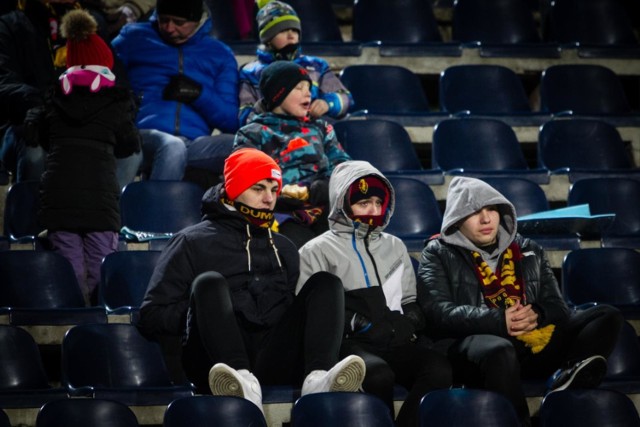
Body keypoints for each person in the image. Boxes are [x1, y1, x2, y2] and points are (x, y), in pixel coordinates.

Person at [138, 147, 366, 413]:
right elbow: (150, 316)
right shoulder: (191, 241)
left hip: (273, 356)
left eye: (273, 189)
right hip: (215, 362)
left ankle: (317, 379)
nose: (269, 198)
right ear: (234, 190)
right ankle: (240, 380)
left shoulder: (284, 246)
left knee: (326, 282)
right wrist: (200, 312)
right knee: (209, 284)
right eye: (258, 189)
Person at [417, 176, 624, 426]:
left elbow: (557, 307)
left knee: (605, 315)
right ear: (457, 219)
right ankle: (521, 421)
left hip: (529, 342)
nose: (486, 219)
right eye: (475, 213)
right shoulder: (437, 252)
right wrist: (499, 320)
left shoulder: (529, 249)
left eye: (492, 209)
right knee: (498, 348)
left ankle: (564, 384)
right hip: (474, 349)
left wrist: (537, 312)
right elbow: (437, 313)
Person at [297, 160, 453, 426]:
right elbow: (310, 310)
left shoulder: (395, 245)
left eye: (378, 203)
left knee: (438, 369)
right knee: (378, 375)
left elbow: (408, 300)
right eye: (363, 203)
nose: (373, 210)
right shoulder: (315, 250)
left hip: (392, 337)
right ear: (343, 203)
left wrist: (409, 321)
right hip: (347, 343)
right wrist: (356, 323)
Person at [24, 9, 141, 305]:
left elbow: (35, 135)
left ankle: (73, 331)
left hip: (59, 200)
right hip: (100, 201)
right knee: (102, 268)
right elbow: (129, 146)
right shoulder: (116, 102)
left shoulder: (53, 98)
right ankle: (100, 334)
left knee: (70, 271)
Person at [0, 0, 141, 186]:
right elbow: (5, 83)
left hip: (85, 121)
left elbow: (118, 82)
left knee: (131, 151)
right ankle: (30, 211)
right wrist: (47, 107)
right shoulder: (11, 24)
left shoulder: (90, 24)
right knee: (34, 150)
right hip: (29, 123)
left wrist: (118, 109)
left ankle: (108, 211)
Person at [112, 0, 239, 184]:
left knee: (245, 145)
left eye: (179, 23)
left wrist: (199, 95)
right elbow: (107, 81)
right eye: (164, 20)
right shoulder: (133, 38)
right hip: (141, 136)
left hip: (193, 144)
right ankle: (157, 210)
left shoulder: (220, 53)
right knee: (173, 147)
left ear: (198, 20)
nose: (169, 28)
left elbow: (231, 120)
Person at [234, 61, 351, 248]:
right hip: (279, 214)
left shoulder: (320, 127)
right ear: (278, 95)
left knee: (342, 241)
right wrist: (280, 194)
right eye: (299, 88)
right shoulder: (252, 133)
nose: (308, 93)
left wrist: (320, 188)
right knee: (300, 248)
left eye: (309, 88)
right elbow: (245, 179)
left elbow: (343, 168)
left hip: (323, 206)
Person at [238, 0, 352, 126]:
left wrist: (328, 104)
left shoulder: (316, 66)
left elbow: (346, 99)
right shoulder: (250, 72)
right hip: (270, 136)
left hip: (313, 132)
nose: (291, 35)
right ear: (268, 38)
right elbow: (245, 115)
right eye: (282, 30)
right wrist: (273, 113)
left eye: (294, 30)